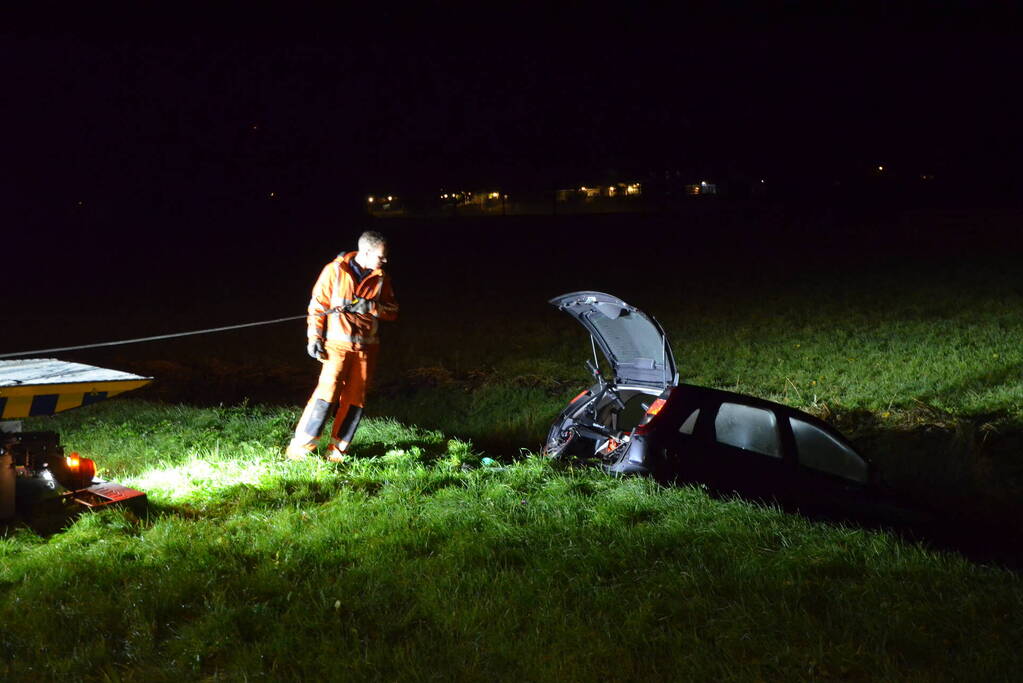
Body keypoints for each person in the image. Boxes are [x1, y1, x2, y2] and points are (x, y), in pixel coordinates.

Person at [285, 230, 398, 462]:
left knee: (355, 402)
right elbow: (318, 306)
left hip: (366, 351)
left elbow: (393, 311)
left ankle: (337, 452)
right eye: (381, 256)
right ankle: (301, 449)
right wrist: (314, 338)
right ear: (365, 252)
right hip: (336, 347)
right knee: (325, 396)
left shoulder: (381, 278)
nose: (385, 260)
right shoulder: (334, 271)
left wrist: (371, 307)